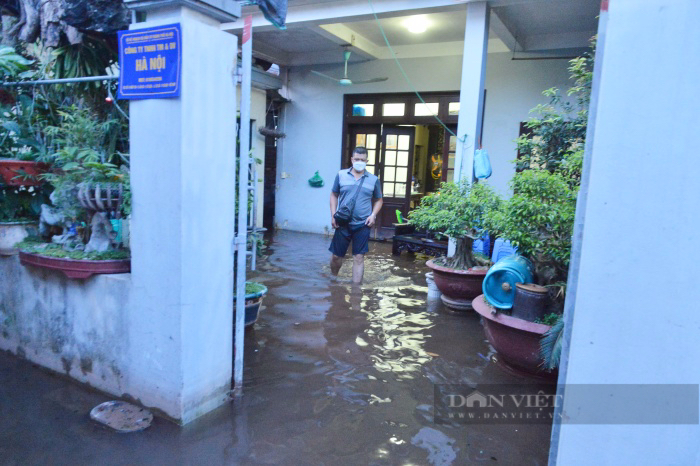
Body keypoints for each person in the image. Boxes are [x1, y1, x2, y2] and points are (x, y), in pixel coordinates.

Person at [329, 146, 383, 284]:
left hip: (363, 224)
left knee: (359, 257)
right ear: (352, 159)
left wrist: (373, 215)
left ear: (367, 161)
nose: (360, 161)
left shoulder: (373, 179)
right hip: (342, 222)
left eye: (363, 160)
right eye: (357, 159)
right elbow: (334, 195)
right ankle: (333, 280)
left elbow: (379, 200)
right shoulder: (341, 175)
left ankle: (356, 290)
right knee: (336, 256)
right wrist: (333, 215)